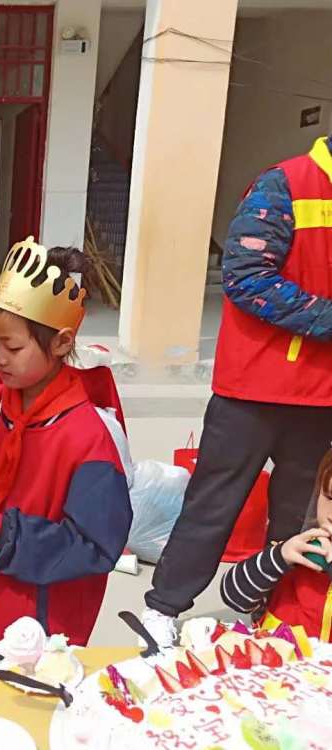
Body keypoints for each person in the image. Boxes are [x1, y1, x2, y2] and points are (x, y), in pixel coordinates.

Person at [140, 137, 332, 648]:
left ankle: (267, 613)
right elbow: (246, 277)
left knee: (296, 517)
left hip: (322, 396)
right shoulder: (287, 184)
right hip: (252, 387)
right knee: (214, 504)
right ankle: (164, 608)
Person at [0, 241, 132, 648]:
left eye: (14, 347)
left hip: (33, 626)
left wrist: (1, 532)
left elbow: (94, 545)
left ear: (60, 343)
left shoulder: (89, 438)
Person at [220, 447, 332, 640]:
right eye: (329, 497)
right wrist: (279, 557)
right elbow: (233, 596)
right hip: (278, 661)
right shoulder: (299, 549)